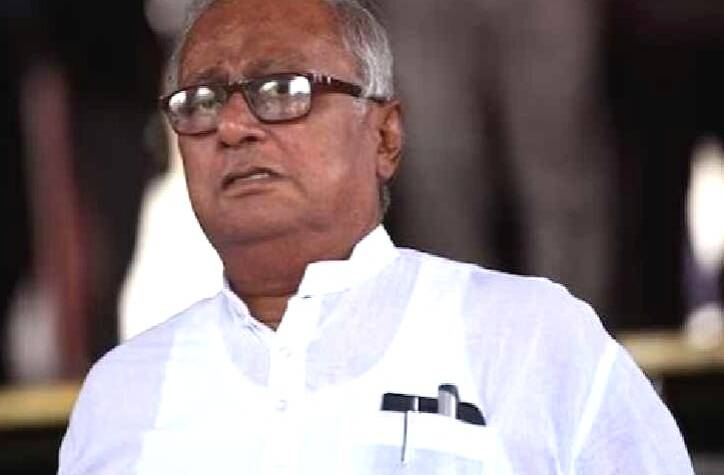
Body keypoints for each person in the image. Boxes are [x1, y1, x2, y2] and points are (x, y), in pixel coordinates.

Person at [58, 0, 694, 473]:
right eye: (199, 101)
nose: (231, 126)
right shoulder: (121, 395)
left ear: (385, 137)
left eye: (282, 91)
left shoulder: (538, 343)